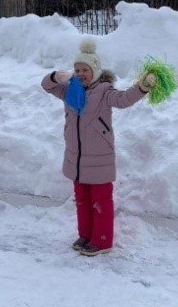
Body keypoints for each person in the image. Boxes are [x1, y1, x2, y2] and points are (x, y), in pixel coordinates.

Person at [40, 38, 156, 256]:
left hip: (99, 157)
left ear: (94, 70)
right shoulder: (68, 90)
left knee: (100, 201)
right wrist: (56, 76)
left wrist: (142, 87)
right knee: (82, 200)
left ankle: (102, 241)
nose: (81, 73)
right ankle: (86, 235)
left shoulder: (104, 91)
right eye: (77, 69)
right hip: (76, 158)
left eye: (85, 69)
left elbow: (123, 99)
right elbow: (46, 85)